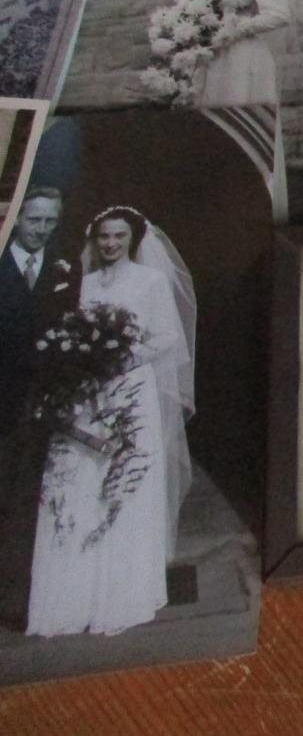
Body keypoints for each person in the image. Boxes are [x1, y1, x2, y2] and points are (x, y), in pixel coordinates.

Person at [28, 207, 194, 638]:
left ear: (132, 239)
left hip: (131, 390)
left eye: (119, 236)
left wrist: (123, 358)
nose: (110, 244)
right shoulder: (80, 285)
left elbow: (167, 336)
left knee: (122, 482)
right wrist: (82, 362)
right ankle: (71, 597)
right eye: (104, 236)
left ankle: (120, 595)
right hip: (86, 392)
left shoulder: (150, 281)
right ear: (94, 238)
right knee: (77, 481)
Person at [0, 187, 77, 629]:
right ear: (16, 219)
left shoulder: (63, 269)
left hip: (41, 406)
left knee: (28, 503)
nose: (42, 230)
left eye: (50, 222)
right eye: (34, 221)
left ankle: (15, 601)